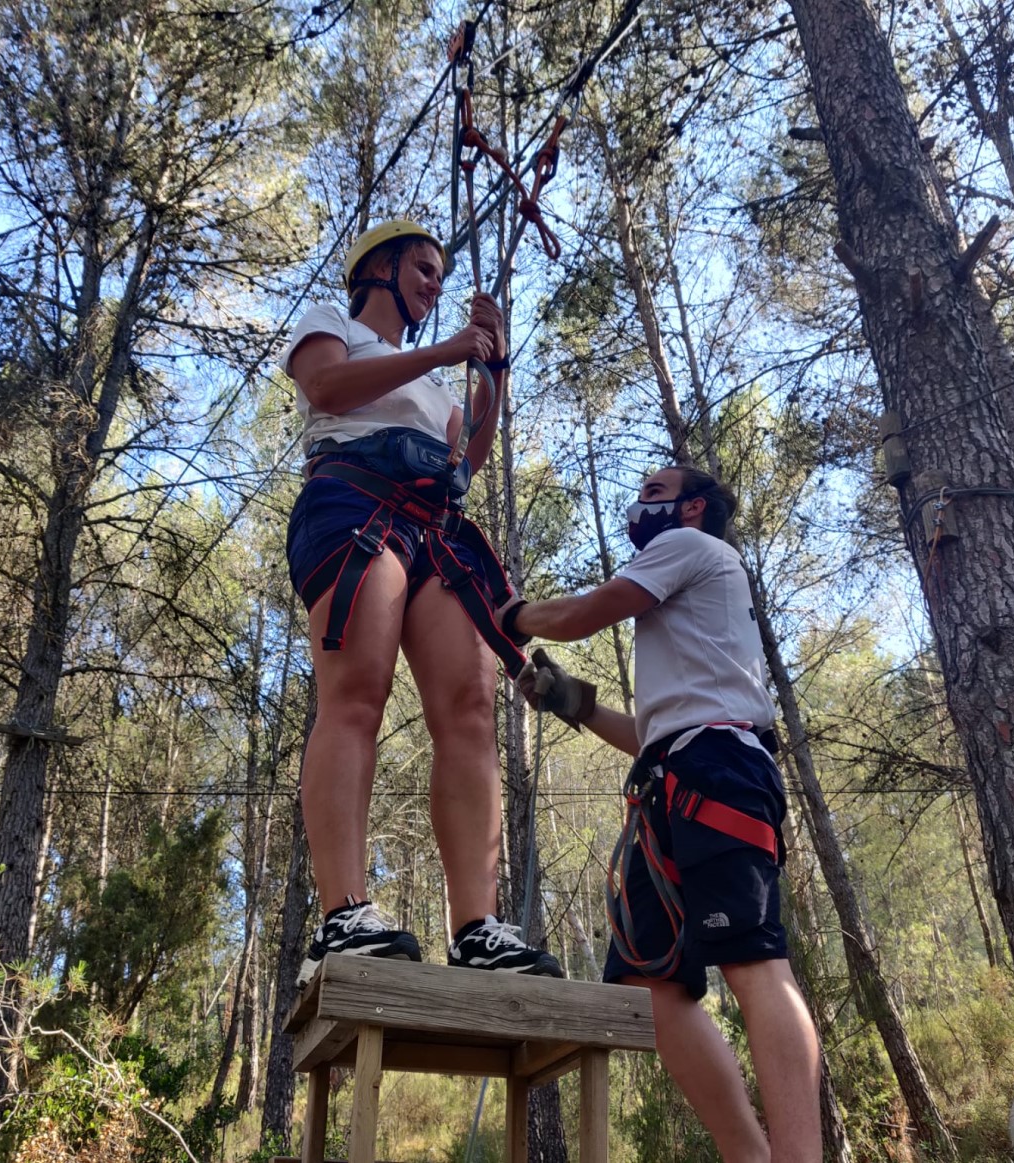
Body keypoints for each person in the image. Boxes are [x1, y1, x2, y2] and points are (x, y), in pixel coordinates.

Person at [497, 464, 821, 1163]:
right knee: (648, 987)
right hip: (674, 774)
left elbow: (583, 614)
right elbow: (656, 730)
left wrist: (510, 614)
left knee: (753, 961)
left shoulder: (690, 545)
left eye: (653, 494)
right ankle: (748, 1153)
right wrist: (573, 703)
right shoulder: (691, 597)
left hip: (720, 769)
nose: (637, 506)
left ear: (693, 506)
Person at [280, 219, 562, 988]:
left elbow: (462, 459)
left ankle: (476, 924)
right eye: (424, 267)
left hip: (432, 524)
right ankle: (342, 910)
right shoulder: (332, 324)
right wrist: (447, 351)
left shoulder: (435, 384)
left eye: (441, 273)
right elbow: (327, 388)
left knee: (469, 705)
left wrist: (490, 374)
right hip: (354, 501)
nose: (436, 283)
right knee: (357, 693)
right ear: (379, 266)